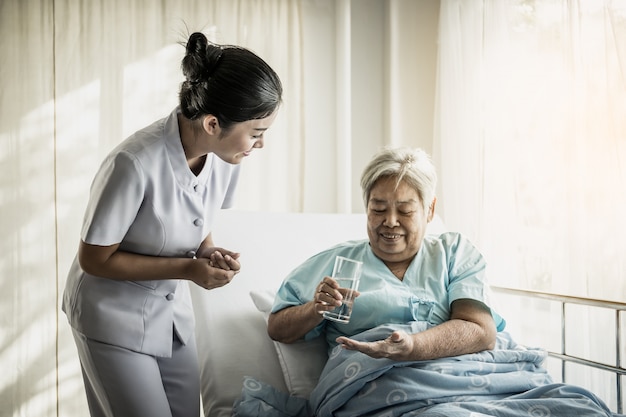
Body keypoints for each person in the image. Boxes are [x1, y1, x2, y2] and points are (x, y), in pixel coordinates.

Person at [62, 32, 283, 417]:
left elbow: (197, 220)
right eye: (256, 133)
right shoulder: (133, 164)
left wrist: (207, 251)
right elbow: (94, 260)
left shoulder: (226, 158)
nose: (260, 144)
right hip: (111, 318)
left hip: (171, 316)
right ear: (213, 123)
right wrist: (188, 268)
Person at [267, 146, 505, 362]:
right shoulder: (335, 262)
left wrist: (413, 346)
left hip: (459, 376)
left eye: (405, 210)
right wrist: (314, 309)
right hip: (370, 384)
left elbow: (481, 331)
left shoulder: (455, 253)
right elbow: (277, 328)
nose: (390, 222)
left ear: (429, 209)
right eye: (378, 209)